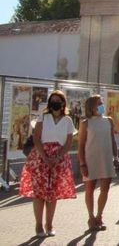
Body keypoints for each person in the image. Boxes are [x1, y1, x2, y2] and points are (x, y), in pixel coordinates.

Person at [19, 90, 77, 238]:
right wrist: (45, 157)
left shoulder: (68, 121)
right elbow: (37, 138)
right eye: (53, 100)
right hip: (41, 157)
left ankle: (49, 223)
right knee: (39, 193)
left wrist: (57, 157)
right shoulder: (43, 117)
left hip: (59, 159)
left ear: (63, 103)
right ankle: (38, 224)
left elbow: (69, 142)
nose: (55, 103)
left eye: (58, 100)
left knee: (53, 193)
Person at [78, 94, 118, 232]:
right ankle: (91, 217)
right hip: (91, 160)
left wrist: (116, 156)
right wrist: (82, 163)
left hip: (106, 159)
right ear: (91, 107)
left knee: (105, 189)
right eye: (99, 103)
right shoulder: (85, 123)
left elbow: (112, 139)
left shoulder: (109, 121)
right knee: (89, 189)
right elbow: (81, 145)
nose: (102, 106)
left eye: (102, 103)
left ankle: (100, 216)